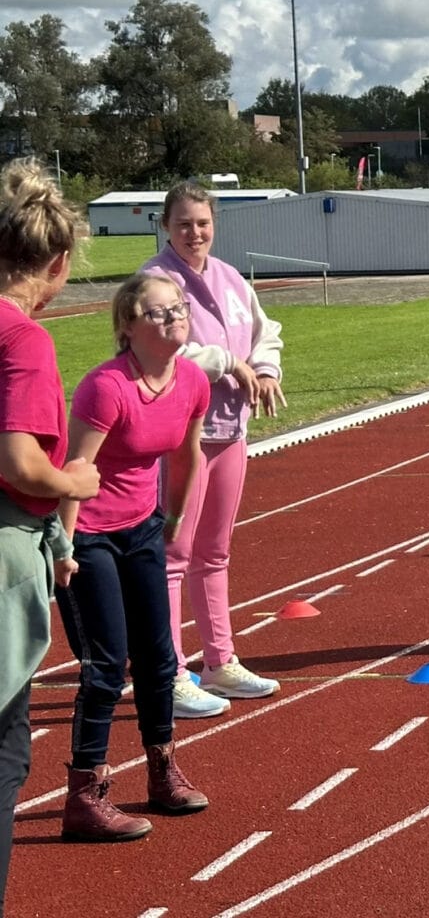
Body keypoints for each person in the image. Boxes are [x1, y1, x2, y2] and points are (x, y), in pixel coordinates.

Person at [55, 273, 213, 842]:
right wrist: (64, 549)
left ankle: (161, 770)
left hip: (141, 528)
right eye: (158, 312)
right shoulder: (106, 387)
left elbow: (188, 454)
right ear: (127, 326)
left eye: (179, 309)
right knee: (105, 664)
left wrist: (171, 521)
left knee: (159, 655)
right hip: (88, 533)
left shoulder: (192, 379)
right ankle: (84, 796)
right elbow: (74, 472)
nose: (173, 319)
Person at [143, 182, 286, 719]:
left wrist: (265, 367)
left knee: (216, 552)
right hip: (182, 434)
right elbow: (168, 347)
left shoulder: (230, 278)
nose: (194, 233)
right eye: (183, 224)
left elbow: (265, 331)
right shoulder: (155, 281)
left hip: (231, 430)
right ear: (166, 226)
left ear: (214, 224)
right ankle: (169, 672)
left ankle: (219, 660)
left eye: (202, 223)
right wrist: (230, 363)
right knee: (172, 555)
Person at [0, 159, 99, 900]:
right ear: (59, 262)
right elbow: (22, 464)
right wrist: (75, 484)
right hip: (4, 551)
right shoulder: (23, 340)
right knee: (5, 745)